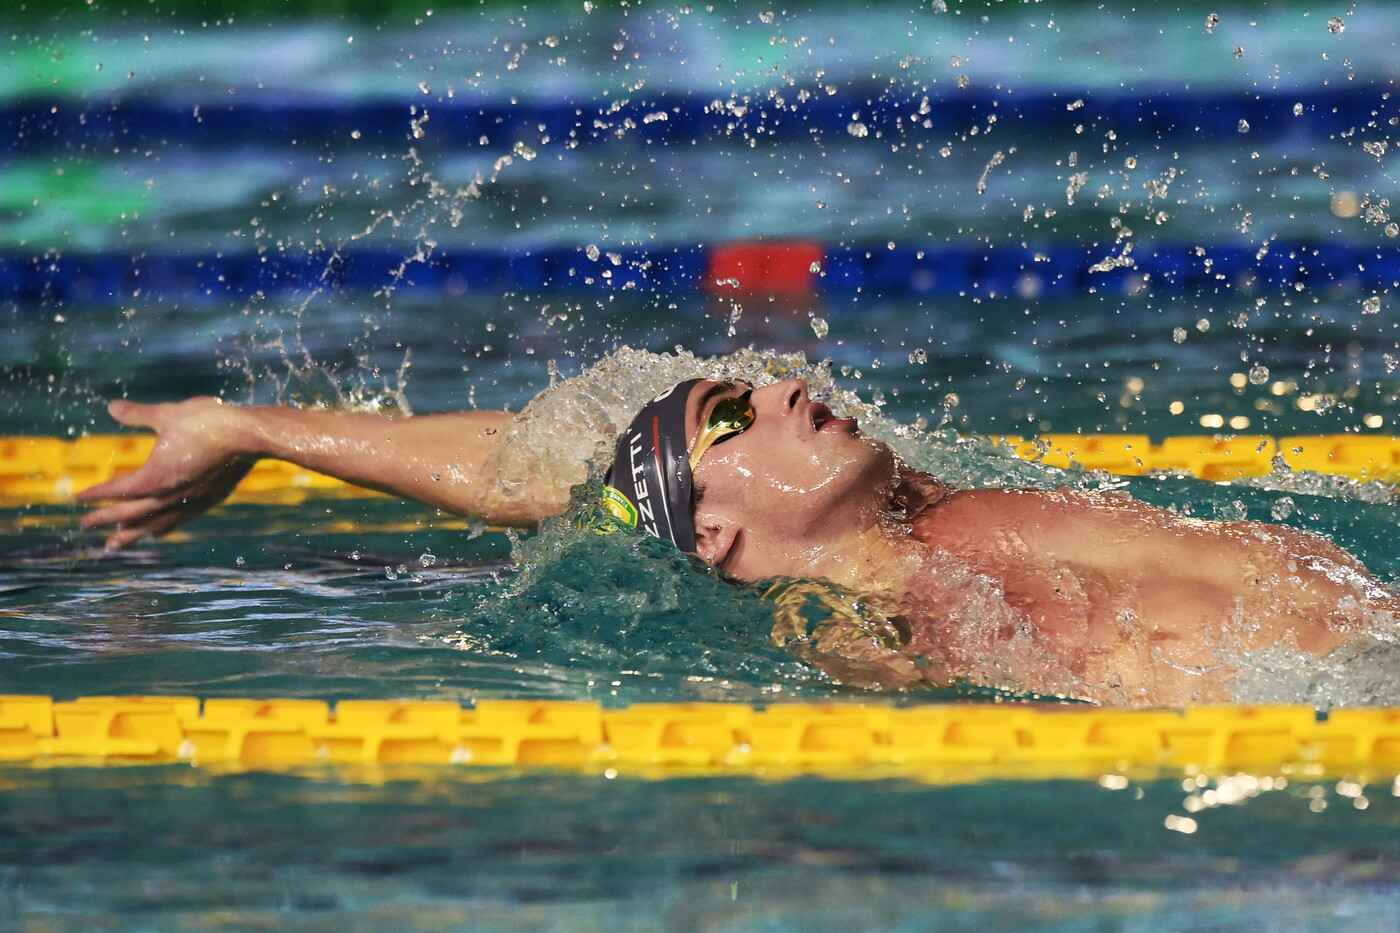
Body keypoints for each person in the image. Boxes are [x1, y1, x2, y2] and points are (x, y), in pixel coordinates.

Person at [78, 363, 1400, 707]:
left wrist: (247, 422)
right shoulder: (868, 623)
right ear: (720, 542)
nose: (780, 386)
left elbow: (528, 454)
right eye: (733, 416)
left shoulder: (929, 502)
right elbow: (557, 479)